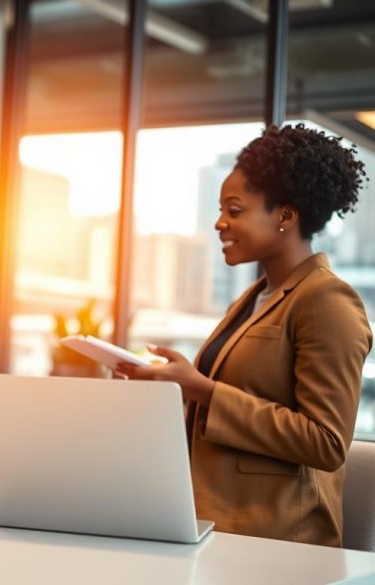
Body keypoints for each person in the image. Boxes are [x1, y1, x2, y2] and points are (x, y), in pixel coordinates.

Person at [116, 124, 372, 547]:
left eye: (235, 210)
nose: (219, 222)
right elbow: (219, 403)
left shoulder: (327, 301)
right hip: (210, 522)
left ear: (286, 216)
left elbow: (326, 442)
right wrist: (167, 389)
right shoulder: (251, 301)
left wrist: (204, 391)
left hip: (276, 540)